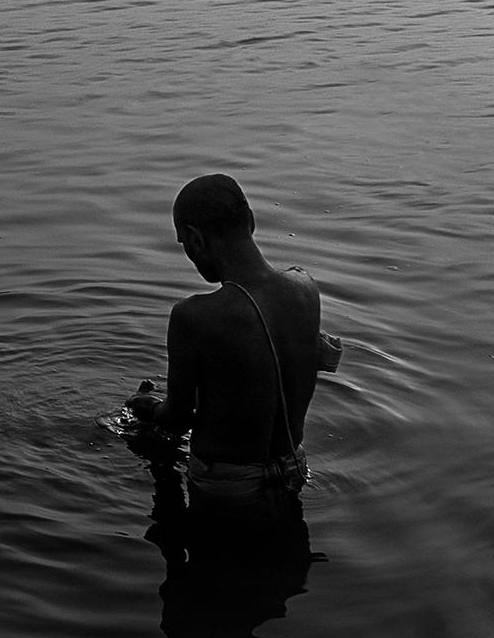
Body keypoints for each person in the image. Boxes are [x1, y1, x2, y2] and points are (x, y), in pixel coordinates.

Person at [127, 174, 341, 518]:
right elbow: (259, 378)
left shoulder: (192, 316)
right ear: (252, 221)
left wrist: (149, 407)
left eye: (184, 244)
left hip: (226, 488)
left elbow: (177, 420)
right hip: (293, 470)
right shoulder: (305, 288)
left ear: (196, 240)